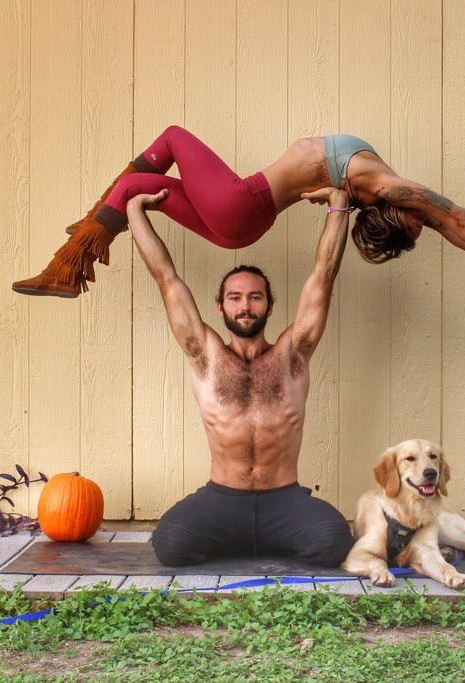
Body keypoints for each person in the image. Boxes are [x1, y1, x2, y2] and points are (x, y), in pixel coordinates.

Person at [12, 126, 465, 304]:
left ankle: (78, 246)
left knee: (172, 136)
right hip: (239, 224)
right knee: (133, 188)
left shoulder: (384, 186)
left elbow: (456, 219)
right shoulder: (376, 190)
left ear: (397, 213)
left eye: (417, 219)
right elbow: (447, 224)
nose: (427, 216)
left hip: (241, 204)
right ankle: (71, 264)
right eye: (423, 221)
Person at [126, 184, 355, 567]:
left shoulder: (292, 355)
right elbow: (166, 279)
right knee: (170, 543)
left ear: (269, 306)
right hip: (222, 498)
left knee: (332, 541)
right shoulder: (205, 355)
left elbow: (323, 276)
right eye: (235, 297)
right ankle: (246, 538)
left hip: (284, 499)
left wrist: (339, 206)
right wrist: (136, 213)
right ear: (219, 307)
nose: (245, 306)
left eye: (255, 297)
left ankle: (256, 538)